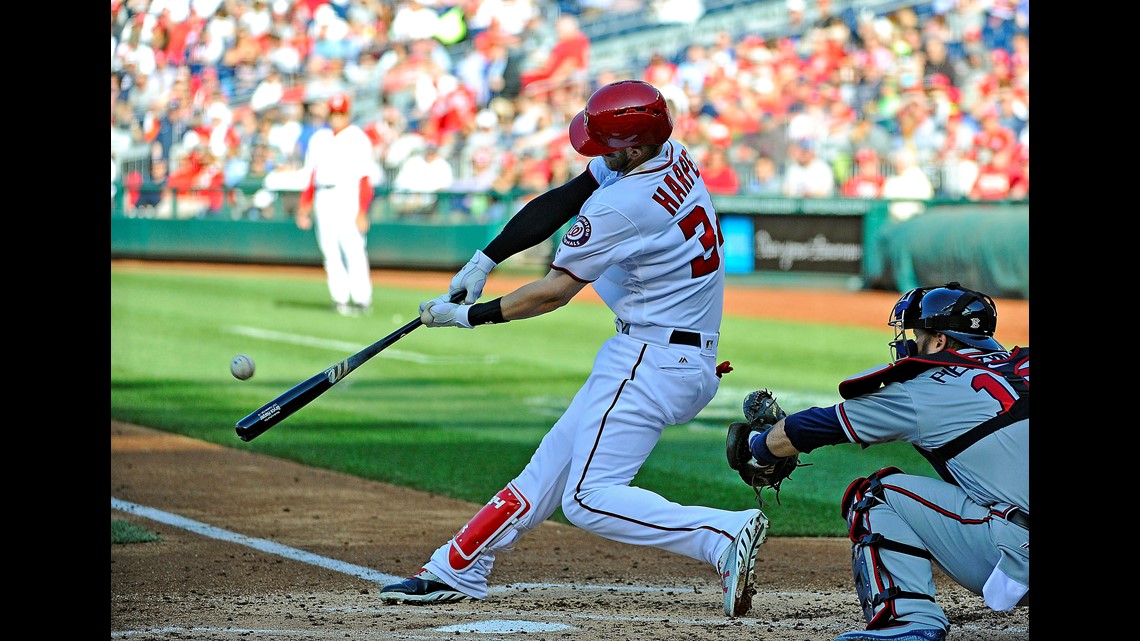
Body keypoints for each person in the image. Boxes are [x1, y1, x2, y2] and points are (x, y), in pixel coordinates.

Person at [379, 80, 768, 618]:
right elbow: (565, 196)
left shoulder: (625, 204)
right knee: (549, 468)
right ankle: (458, 565)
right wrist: (484, 260)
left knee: (586, 499)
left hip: (650, 360)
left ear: (633, 146)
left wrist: (468, 316)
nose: (597, 150)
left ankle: (721, 534)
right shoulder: (668, 154)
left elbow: (553, 292)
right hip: (669, 354)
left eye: (607, 142)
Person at [729, 282, 1028, 641]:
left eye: (919, 334)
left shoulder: (928, 389)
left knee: (875, 495)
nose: (909, 341)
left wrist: (758, 448)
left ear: (939, 342)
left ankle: (908, 623)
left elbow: (813, 427)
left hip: (1019, 551)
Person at [296, 94, 382, 316]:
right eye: (333, 113)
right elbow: (311, 175)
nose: (336, 117)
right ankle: (340, 299)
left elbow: (365, 178)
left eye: (340, 113)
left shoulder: (357, 137)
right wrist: (304, 206)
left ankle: (362, 299)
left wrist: (362, 211)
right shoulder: (319, 138)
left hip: (347, 194)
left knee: (353, 248)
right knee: (330, 250)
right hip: (323, 195)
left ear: (347, 113)